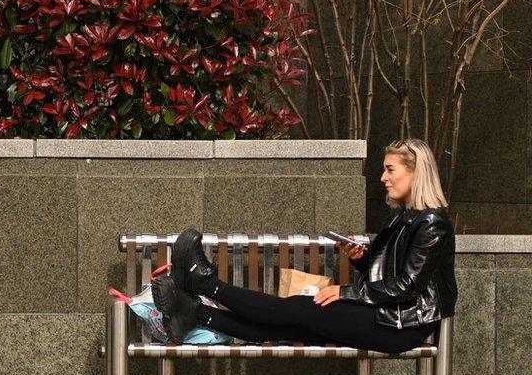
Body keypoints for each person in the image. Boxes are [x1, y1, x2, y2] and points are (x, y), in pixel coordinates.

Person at [153, 138, 458, 354]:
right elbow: (389, 274)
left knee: (299, 309)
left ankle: (206, 285)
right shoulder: (402, 216)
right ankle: (196, 313)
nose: (382, 177)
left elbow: (407, 286)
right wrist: (362, 260)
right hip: (385, 311)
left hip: (403, 324)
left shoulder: (432, 224)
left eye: (390, 169)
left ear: (416, 172)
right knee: (290, 324)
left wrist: (345, 291)